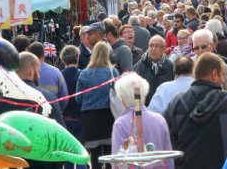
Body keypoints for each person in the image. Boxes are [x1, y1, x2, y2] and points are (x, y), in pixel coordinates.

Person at [164, 53, 227, 169]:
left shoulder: (177, 103)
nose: (223, 80)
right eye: (222, 75)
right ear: (214, 74)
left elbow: (165, 141)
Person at [0, 52, 65, 169]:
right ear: (31, 70)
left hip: (8, 162)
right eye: (38, 70)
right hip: (42, 163)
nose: (39, 75)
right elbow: (60, 137)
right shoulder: (47, 99)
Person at [111, 72, 174, 169]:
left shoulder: (120, 124)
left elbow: (117, 162)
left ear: (122, 100)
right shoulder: (160, 120)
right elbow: (169, 158)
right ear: (144, 95)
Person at [75, 41, 119, 169]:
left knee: (95, 158)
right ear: (108, 55)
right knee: (110, 156)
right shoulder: (113, 72)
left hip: (91, 119)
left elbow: (78, 99)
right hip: (109, 116)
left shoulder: (84, 73)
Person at [60, 45, 85, 169]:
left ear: (62, 59)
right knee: (81, 155)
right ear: (77, 57)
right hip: (81, 119)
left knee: (68, 156)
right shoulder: (83, 74)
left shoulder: (59, 75)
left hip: (65, 120)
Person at [134, 35, 174, 106]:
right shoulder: (140, 66)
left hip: (164, 111)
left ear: (164, 49)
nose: (153, 49)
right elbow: (135, 91)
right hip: (145, 111)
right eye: (151, 46)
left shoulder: (171, 66)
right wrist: (138, 111)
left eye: (157, 46)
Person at [28, 41, 69, 111]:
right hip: (52, 113)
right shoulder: (56, 72)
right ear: (44, 54)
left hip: (30, 115)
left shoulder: (22, 72)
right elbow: (64, 98)